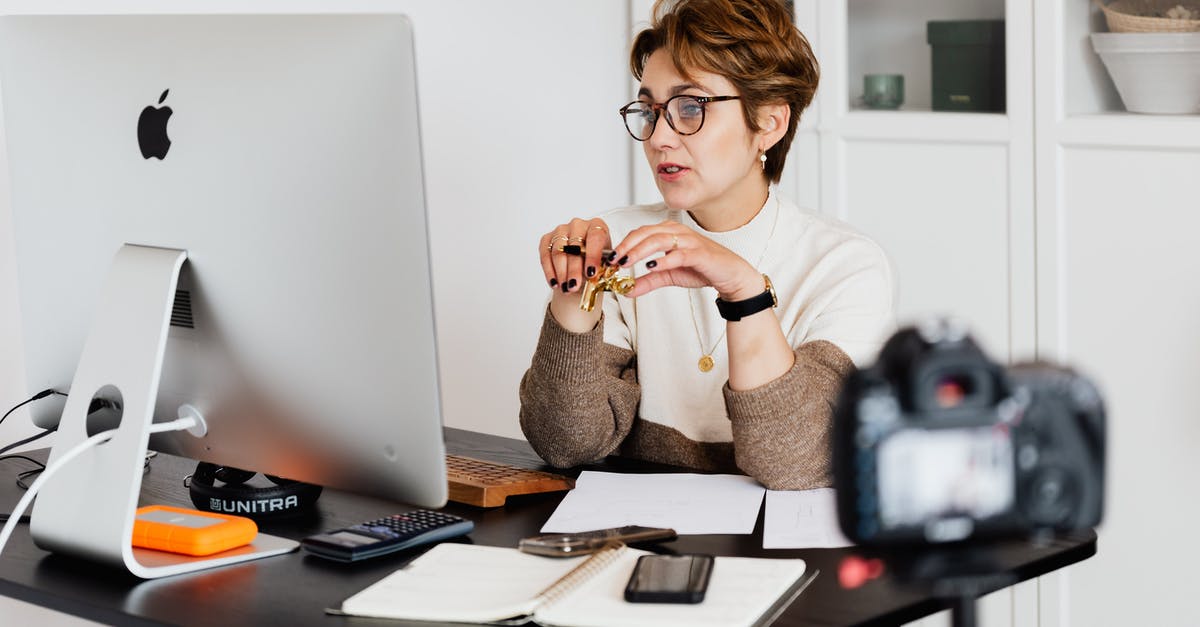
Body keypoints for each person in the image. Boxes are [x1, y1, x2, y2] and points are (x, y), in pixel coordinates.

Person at [519, 0, 895, 490]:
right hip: (643, 540)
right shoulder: (616, 244)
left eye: (690, 107)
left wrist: (745, 293)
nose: (659, 138)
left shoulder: (845, 265)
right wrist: (572, 298)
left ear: (769, 124)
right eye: (650, 111)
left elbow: (796, 463)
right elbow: (566, 444)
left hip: (784, 553)